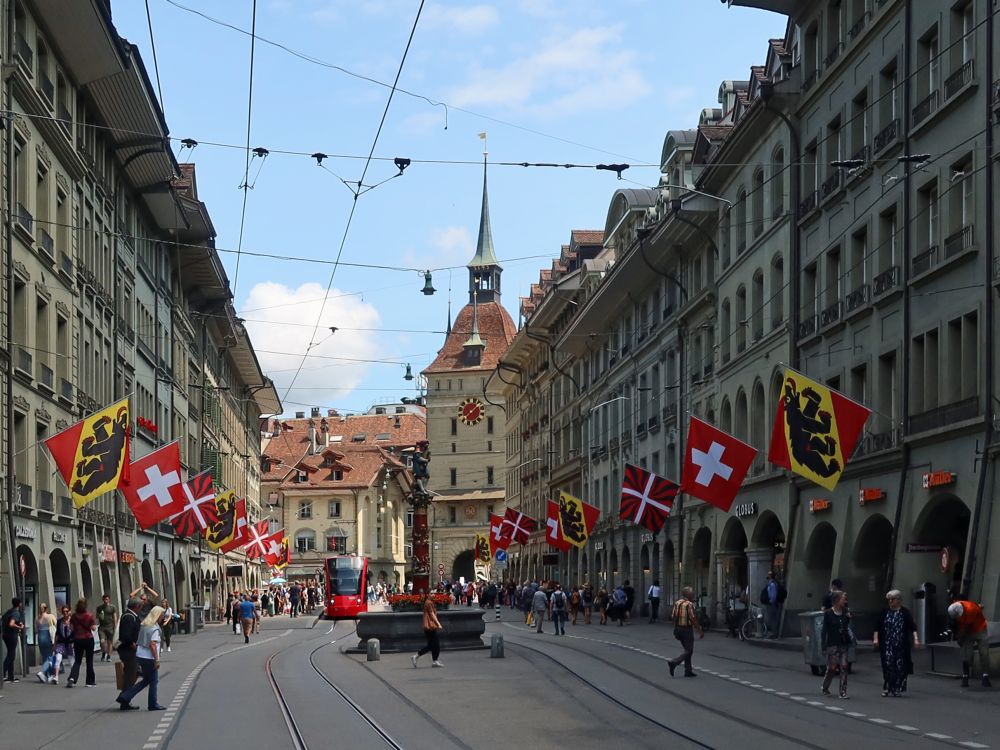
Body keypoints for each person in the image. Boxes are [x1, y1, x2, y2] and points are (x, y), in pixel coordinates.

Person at [116, 605, 166, 711]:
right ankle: (152, 704)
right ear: (157, 615)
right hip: (149, 657)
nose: (163, 617)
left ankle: (125, 696)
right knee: (153, 681)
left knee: (146, 680)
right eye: (162, 614)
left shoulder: (144, 625)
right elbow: (152, 644)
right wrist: (156, 659)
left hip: (140, 655)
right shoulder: (155, 628)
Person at [874, 589, 919, 697]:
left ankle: (897, 687)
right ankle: (887, 687)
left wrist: (916, 639)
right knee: (888, 665)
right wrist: (876, 639)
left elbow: (913, 627)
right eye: (888, 599)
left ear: (899, 600)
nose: (890, 601)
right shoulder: (884, 612)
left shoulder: (904, 612)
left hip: (901, 644)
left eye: (892, 599)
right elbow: (877, 627)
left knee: (900, 666)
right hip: (887, 643)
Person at [948, 599, 992, 688]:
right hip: (966, 631)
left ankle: (985, 676)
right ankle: (965, 676)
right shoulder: (954, 607)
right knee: (966, 654)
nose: (958, 618)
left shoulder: (970, 610)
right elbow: (955, 625)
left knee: (984, 653)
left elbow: (965, 629)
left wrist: (960, 640)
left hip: (980, 629)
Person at [821, 591, 852, 699]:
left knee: (844, 667)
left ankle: (843, 692)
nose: (845, 601)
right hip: (832, 644)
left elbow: (846, 626)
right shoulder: (828, 614)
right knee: (832, 668)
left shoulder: (845, 611)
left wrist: (848, 618)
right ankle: (825, 687)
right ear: (836, 601)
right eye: (843, 599)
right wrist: (823, 646)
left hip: (843, 643)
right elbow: (824, 630)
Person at [667, 586, 703, 677]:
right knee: (689, 650)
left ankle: (688, 670)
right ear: (688, 594)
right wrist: (699, 630)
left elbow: (673, 617)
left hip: (678, 628)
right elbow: (693, 618)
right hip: (686, 630)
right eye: (692, 593)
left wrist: (675, 629)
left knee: (687, 649)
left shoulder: (677, 603)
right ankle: (675, 662)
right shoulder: (689, 604)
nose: (693, 595)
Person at [66, 597, 96, 688]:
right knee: (89, 661)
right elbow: (94, 628)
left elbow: (71, 628)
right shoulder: (89, 616)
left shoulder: (74, 616)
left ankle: (72, 677)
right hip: (88, 639)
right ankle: (89, 682)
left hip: (78, 639)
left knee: (77, 660)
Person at [411, 592, 444, 668]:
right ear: (428, 594)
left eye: (434, 593)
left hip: (428, 627)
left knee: (431, 645)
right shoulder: (429, 602)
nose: (433, 595)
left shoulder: (429, 602)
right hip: (430, 626)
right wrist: (438, 623)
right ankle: (419, 657)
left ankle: (419, 657)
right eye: (431, 593)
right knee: (435, 644)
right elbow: (432, 614)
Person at [117, 598, 142, 691]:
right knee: (130, 674)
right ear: (137, 606)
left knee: (134, 672)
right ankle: (124, 698)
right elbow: (126, 634)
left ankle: (125, 696)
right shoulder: (129, 617)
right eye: (141, 606)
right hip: (128, 650)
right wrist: (132, 644)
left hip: (131, 649)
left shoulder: (132, 615)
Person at [2, 597, 25, 682]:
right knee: (11, 655)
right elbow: (11, 624)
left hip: (5, 635)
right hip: (12, 635)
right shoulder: (16, 613)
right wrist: (20, 627)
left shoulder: (9, 611)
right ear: (19, 604)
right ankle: (2, 673)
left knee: (10, 654)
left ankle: (10, 676)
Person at [49, 605, 74, 685]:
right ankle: (56, 677)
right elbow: (57, 633)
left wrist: (75, 642)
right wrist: (54, 644)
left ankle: (72, 677)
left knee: (71, 661)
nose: (65, 613)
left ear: (70, 611)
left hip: (70, 643)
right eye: (63, 612)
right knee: (58, 659)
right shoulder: (59, 621)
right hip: (61, 642)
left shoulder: (73, 621)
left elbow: (75, 632)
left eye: (67, 611)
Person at [34, 603, 57, 683]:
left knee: (44, 656)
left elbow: (36, 630)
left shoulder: (37, 618)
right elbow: (55, 623)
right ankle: (43, 672)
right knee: (50, 656)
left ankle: (47, 676)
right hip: (48, 636)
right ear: (46, 609)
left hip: (40, 636)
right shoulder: (50, 616)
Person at [95, 594, 117, 663]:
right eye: (104, 599)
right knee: (102, 641)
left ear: (109, 599)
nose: (105, 601)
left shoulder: (112, 607)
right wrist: (100, 616)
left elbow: (114, 616)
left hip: (110, 627)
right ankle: (104, 652)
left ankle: (109, 656)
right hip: (102, 627)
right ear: (103, 600)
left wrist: (115, 625)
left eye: (107, 599)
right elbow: (97, 616)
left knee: (110, 642)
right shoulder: (99, 608)